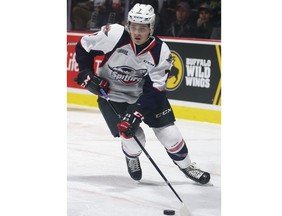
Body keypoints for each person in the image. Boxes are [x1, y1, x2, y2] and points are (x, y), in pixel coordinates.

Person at [74, 3, 210, 184]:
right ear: (128, 25)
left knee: (170, 136)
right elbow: (83, 46)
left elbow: (155, 90)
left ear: (151, 28)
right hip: (112, 95)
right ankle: (131, 157)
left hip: (146, 97)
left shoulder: (161, 51)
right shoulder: (114, 35)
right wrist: (86, 73)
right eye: (134, 27)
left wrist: (136, 112)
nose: (137, 32)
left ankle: (187, 166)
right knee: (134, 137)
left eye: (143, 28)